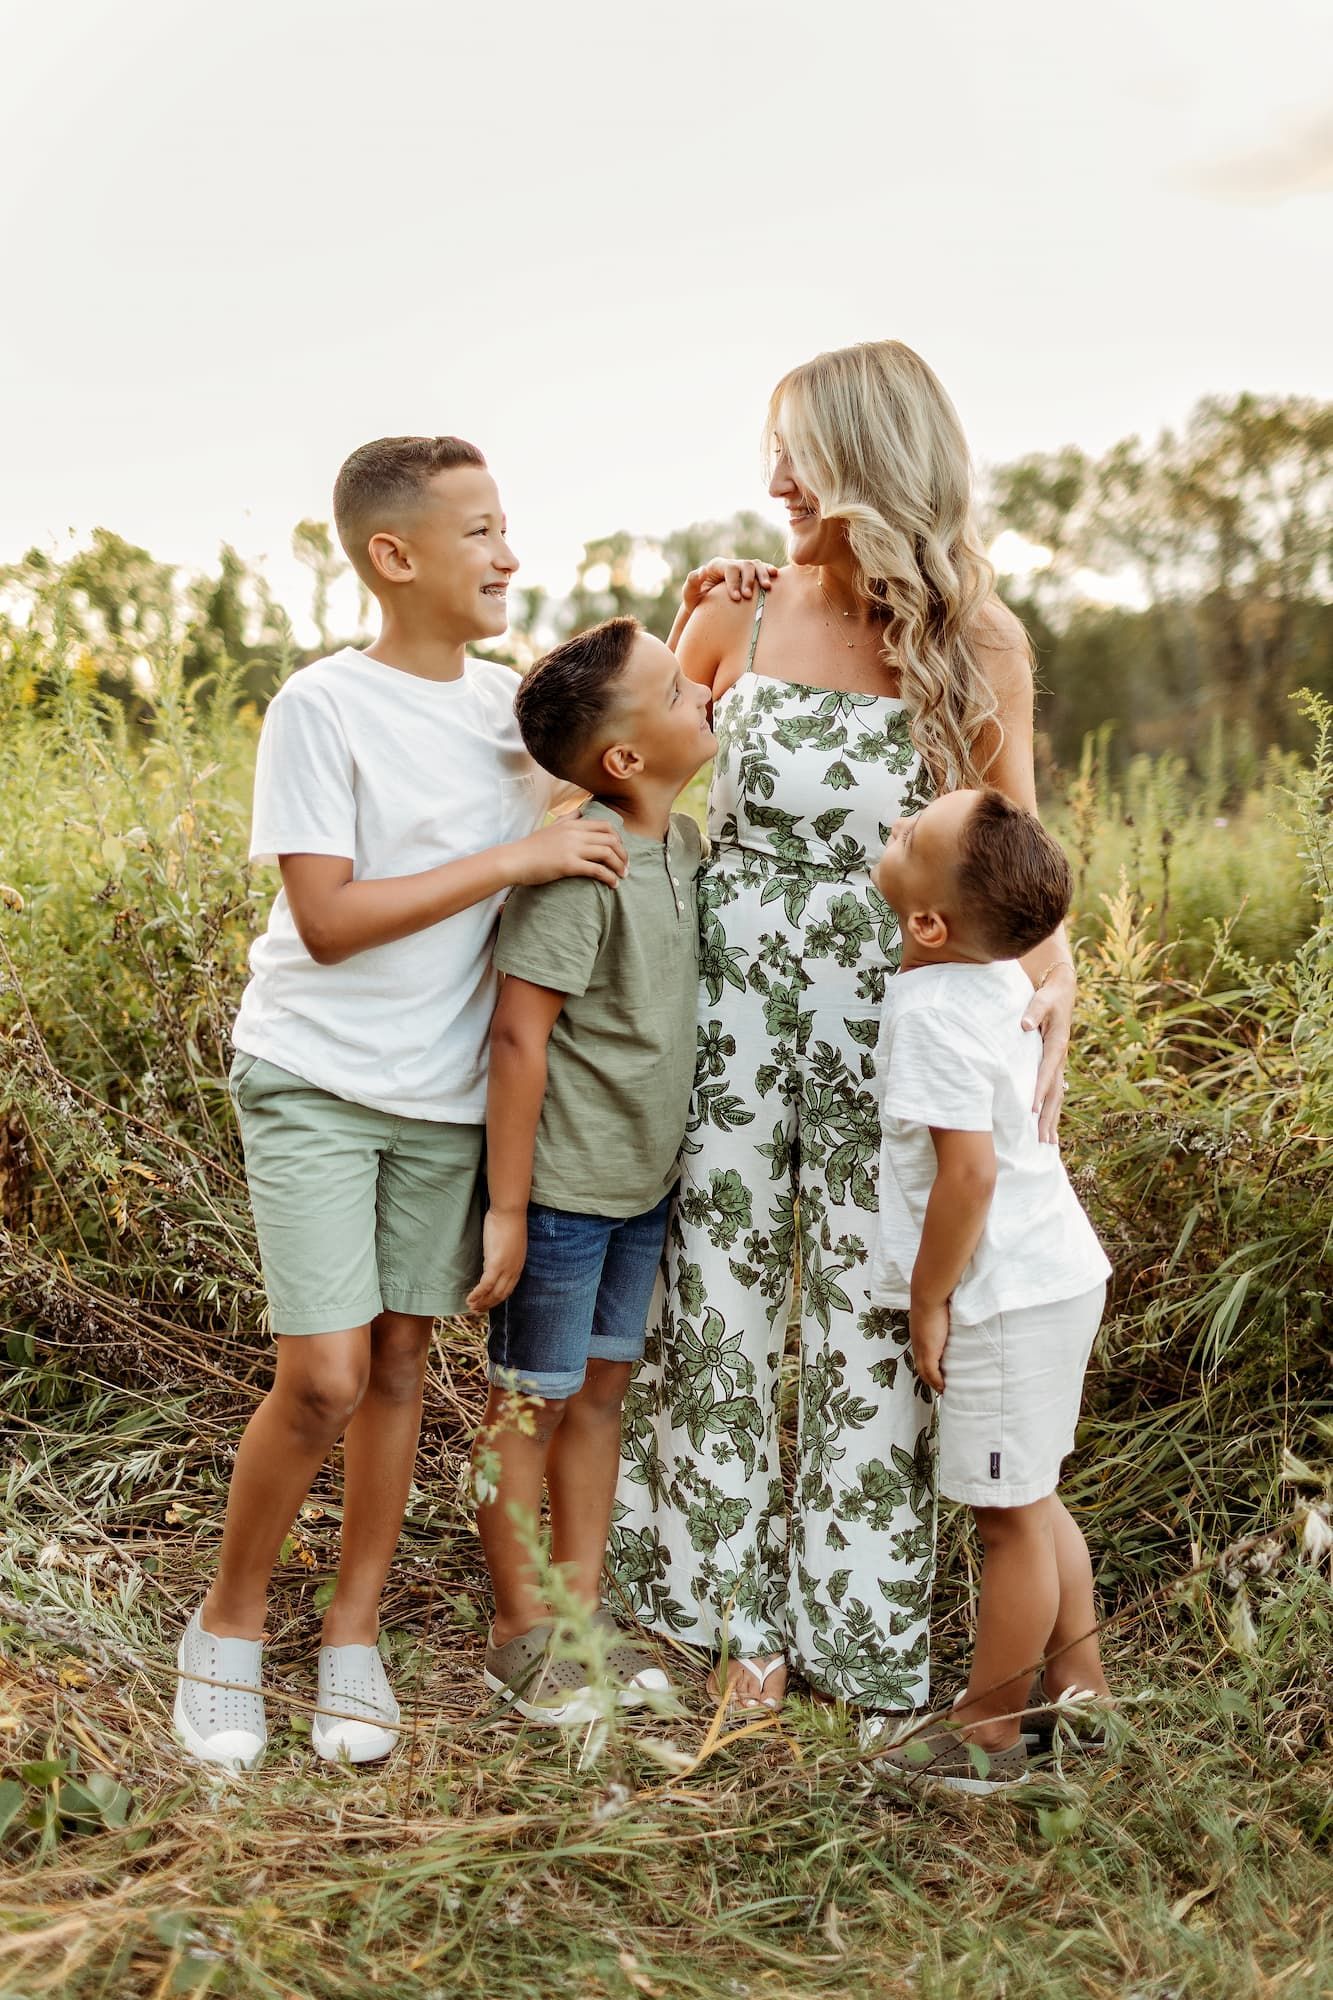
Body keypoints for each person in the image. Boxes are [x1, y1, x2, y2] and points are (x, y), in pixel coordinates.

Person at [612, 340, 1078, 1716]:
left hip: (903, 1017)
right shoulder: (735, 615)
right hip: (731, 1007)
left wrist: (1049, 1007)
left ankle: (859, 1632)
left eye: (800, 453)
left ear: (875, 460)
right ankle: (729, 1615)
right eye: (771, 450)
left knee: (878, 1304)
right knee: (720, 1292)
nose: (775, 480)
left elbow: (1013, 851)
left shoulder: (977, 641)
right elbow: (628, 775)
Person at [174, 436, 627, 1770]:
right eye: (480, 532)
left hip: (440, 1100)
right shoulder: (322, 706)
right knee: (321, 1374)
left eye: (505, 528)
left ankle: (352, 1632)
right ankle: (227, 1626)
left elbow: (648, 722)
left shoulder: (511, 712)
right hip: (314, 1077)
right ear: (395, 554)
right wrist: (516, 857)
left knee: (397, 1367)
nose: (508, 556)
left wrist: (723, 614)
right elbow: (325, 920)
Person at [467, 616, 713, 1721]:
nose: (703, 691)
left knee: (601, 1396)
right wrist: (508, 1208)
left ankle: (579, 1616)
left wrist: (712, 604)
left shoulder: (683, 844)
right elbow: (518, 1037)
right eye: (680, 687)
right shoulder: (583, 864)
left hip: (641, 1187)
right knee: (529, 1404)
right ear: (624, 756)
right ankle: (518, 1635)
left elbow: (661, 699)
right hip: (565, 1190)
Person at [867, 787, 1112, 1792]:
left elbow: (965, 1176)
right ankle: (1079, 1693)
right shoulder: (997, 968)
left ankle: (988, 1728)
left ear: (928, 923)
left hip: (1006, 1295)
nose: (897, 823)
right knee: (1033, 1497)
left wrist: (929, 1297)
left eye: (911, 833)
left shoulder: (932, 1009)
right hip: (1056, 1275)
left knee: (1006, 1519)